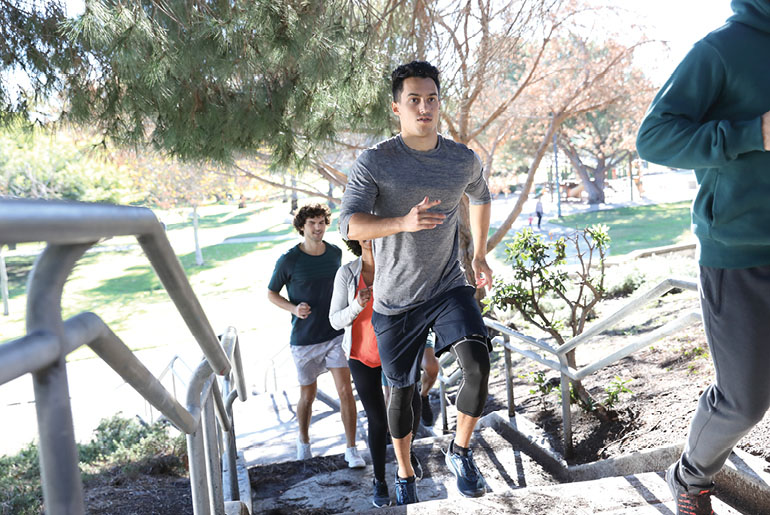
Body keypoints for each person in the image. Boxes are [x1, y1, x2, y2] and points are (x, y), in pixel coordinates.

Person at [339, 60, 494, 505]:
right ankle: (405, 471)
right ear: (397, 107)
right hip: (395, 299)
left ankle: (459, 451)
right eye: (414, 100)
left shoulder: (461, 159)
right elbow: (348, 224)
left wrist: (479, 253)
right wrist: (402, 222)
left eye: (431, 99)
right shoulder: (376, 162)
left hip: (447, 285)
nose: (424, 107)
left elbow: (481, 194)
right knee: (401, 394)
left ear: (439, 103)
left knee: (477, 364)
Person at [636, 2, 770, 514]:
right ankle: (690, 477)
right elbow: (654, 137)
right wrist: (752, 133)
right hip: (738, 254)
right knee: (743, 401)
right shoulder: (720, 50)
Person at [267, 203, 365, 469]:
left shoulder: (334, 254)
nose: (318, 227)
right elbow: (272, 293)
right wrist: (293, 309)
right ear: (302, 227)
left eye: (321, 222)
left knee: (345, 391)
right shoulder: (289, 260)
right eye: (312, 223)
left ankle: (352, 449)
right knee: (307, 396)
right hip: (305, 339)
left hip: (335, 334)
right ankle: (304, 443)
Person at [329, 239, 423, 508]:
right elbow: (334, 320)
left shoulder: (395, 265)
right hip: (362, 356)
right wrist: (358, 304)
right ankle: (380, 480)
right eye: (364, 231)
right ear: (355, 237)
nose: (370, 237)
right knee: (378, 420)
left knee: (412, 404)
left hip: (396, 352)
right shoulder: (347, 274)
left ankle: (406, 455)